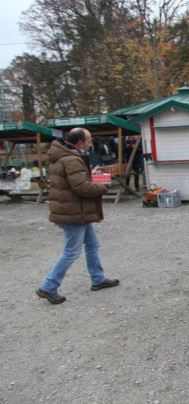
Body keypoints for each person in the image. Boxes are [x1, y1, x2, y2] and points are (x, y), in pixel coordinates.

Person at [35, 128, 119, 305]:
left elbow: (76, 183)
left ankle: (98, 279)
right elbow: (82, 187)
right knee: (71, 251)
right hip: (73, 212)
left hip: (73, 210)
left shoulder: (63, 156)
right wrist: (104, 185)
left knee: (92, 244)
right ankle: (48, 287)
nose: (91, 144)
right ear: (80, 142)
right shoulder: (72, 159)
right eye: (89, 140)